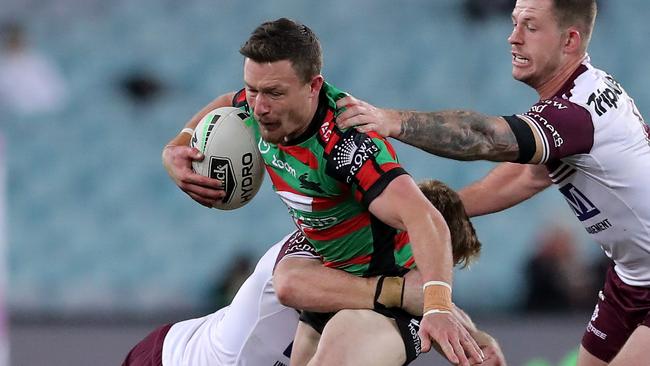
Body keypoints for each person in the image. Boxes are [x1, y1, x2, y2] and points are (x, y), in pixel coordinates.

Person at [335, 0, 650, 365]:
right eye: (514, 23)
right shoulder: (583, 96)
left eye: (530, 27)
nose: (513, 38)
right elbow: (526, 177)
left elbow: (485, 137)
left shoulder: (576, 114)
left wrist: (392, 121)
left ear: (570, 40)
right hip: (631, 277)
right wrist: (433, 209)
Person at [162, 18, 485, 366]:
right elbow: (229, 102)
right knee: (287, 284)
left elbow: (424, 216)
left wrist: (437, 306)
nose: (258, 106)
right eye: (252, 90)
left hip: (386, 293)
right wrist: (177, 144)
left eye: (273, 93)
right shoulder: (258, 110)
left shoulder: (347, 145)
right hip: (334, 285)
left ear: (313, 86)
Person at [123, 188, 505, 365]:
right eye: (435, 261)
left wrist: (475, 339)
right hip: (173, 358)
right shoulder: (335, 237)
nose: (437, 278)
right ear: (410, 237)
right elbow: (292, 285)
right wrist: (397, 291)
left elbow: (436, 309)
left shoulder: (404, 282)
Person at [0, 22, 67, 116]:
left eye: (18, 38)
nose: (17, 43)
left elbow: (58, 94)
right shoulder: (3, 69)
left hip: (48, 113)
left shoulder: (38, 61)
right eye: (12, 39)